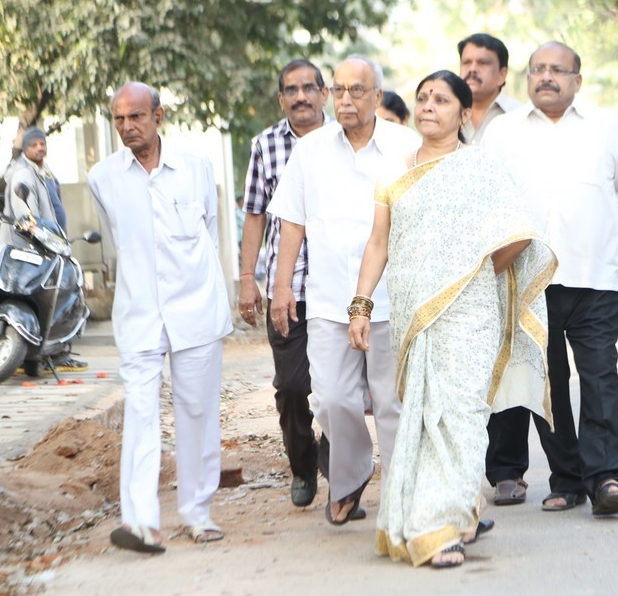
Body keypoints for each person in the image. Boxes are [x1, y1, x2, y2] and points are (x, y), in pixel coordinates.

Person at [349, 71, 555, 568]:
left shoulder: (482, 168)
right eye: (422, 98)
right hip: (415, 313)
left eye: (441, 100)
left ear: (464, 113)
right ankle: (457, 513)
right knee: (423, 416)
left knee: (461, 415)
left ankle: (437, 530)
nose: (427, 107)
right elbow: (379, 243)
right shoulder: (394, 173)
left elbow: (520, 234)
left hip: (471, 313)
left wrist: (473, 275)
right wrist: (360, 304)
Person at [481, 42, 618, 516]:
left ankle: (608, 477)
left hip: (595, 277)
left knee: (599, 379)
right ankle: (568, 480)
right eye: (538, 70)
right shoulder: (501, 132)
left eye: (558, 70)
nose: (546, 77)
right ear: (526, 78)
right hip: (528, 281)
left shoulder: (608, 128)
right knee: (547, 387)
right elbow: (483, 204)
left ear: (577, 80)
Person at [267, 55, 421, 527]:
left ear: (378, 96)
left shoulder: (407, 146)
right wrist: (280, 287)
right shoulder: (310, 151)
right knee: (331, 399)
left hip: (394, 298)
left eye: (358, 90)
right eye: (339, 90)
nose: (347, 99)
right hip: (329, 299)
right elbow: (292, 222)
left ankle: (400, 496)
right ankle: (351, 477)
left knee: (392, 401)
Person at [88, 82, 233, 553]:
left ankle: (197, 513)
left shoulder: (195, 170)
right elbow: (121, 240)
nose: (128, 127)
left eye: (136, 117)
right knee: (141, 412)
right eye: (119, 119)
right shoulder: (103, 177)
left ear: (158, 115)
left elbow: (208, 233)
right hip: (139, 314)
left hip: (196, 310)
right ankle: (141, 523)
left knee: (196, 412)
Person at [239, 59, 336, 510]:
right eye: (291, 90)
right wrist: (247, 279)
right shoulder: (265, 146)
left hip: (338, 285)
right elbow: (255, 213)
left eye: (308, 88)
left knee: (343, 388)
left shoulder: (345, 141)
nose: (300, 97)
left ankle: (339, 454)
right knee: (293, 385)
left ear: (324, 93)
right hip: (288, 286)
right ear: (281, 99)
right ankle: (302, 464)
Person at [0, 126, 86, 372]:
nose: (40, 147)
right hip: (32, 248)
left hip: (50, 245)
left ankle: (54, 352)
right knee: (47, 297)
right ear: (25, 148)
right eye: (35, 144)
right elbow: (26, 216)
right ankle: (28, 354)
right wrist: (39, 239)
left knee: (60, 295)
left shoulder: (42, 171)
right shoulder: (22, 175)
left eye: (43, 143)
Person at [457, 33, 521, 144]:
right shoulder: (446, 113)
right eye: (466, 63)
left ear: (502, 74)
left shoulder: (520, 116)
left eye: (482, 63)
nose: (472, 69)